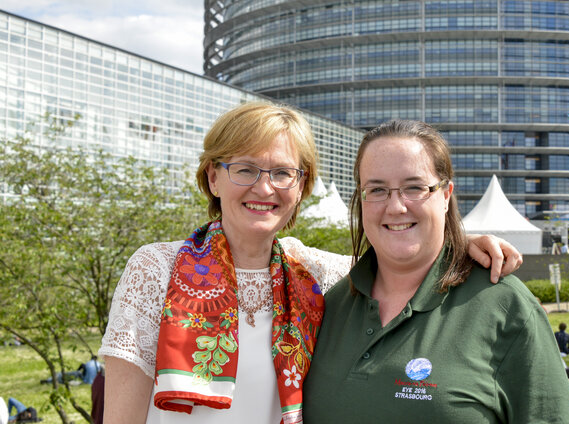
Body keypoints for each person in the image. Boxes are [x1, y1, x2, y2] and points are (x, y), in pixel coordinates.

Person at [99, 103, 521, 423]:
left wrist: (460, 243)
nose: (264, 187)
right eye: (244, 169)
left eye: (283, 173)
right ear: (213, 177)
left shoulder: (313, 274)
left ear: (301, 186)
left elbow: (402, 255)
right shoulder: (156, 269)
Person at [303, 119, 569, 422]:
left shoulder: (506, 307)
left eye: (415, 188)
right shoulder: (325, 306)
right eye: (377, 189)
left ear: (446, 195)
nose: (395, 207)